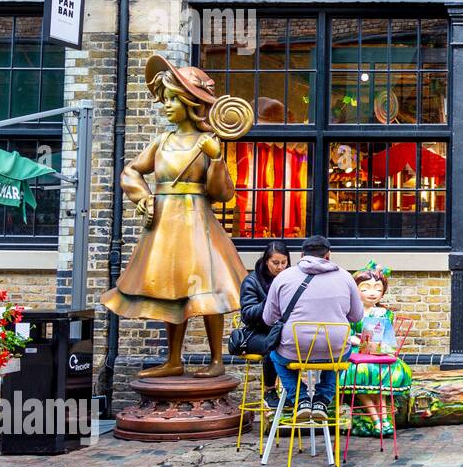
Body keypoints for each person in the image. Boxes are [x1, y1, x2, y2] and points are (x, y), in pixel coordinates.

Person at [101, 54, 246, 378]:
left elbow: (222, 193)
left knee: (209, 289)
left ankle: (216, 359)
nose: (165, 106)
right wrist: (144, 198)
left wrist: (218, 159)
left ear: (189, 103)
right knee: (171, 288)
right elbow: (132, 171)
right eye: (164, 99)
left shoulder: (208, 142)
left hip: (197, 222)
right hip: (165, 224)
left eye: (171, 100)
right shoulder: (162, 142)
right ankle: (173, 359)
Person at [263, 235, 363, 422]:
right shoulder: (345, 277)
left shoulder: (284, 277)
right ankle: (322, 399)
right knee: (343, 352)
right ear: (328, 255)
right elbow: (357, 317)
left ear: (302, 255)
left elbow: (269, 319)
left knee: (275, 356)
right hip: (334, 349)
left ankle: (300, 399)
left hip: (294, 349)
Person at [340, 264, 413, 437]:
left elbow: (387, 335)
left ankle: (383, 418)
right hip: (357, 351)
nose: (372, 293)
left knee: (382, 372)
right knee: (362, 373)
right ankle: (378, 419)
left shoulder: (383, 312)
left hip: (378, 351)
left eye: (377, 289)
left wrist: (385, 346)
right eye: (365, 289)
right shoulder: (351, 312)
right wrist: (354, 338)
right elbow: (346, 331)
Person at [238, 240, 291, 410]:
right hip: (256, 333)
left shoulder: (291, 280)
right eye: (275, 263)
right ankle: (269, 391)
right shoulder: (252, 281)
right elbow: (247, 315)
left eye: (284, 263)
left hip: (282, 331)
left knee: (296, 345)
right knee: (274, 346)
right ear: (266, 261)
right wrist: (270, 300)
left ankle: (294, 392)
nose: (280, 267)